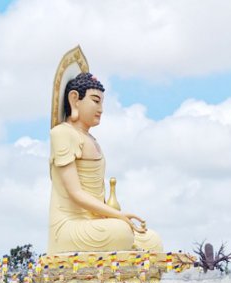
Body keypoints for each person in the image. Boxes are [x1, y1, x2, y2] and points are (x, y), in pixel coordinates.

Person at [49, 72, 163, 255]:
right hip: (69, 226)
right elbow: (76, 193)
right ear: (74, 99)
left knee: (152, 240)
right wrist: (119, 217)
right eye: (95, 101)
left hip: (96, 222)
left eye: (102, 103)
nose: (101, 109)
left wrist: (115, 214)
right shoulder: (62, 133)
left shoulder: (91, 139)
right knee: (123, 232)